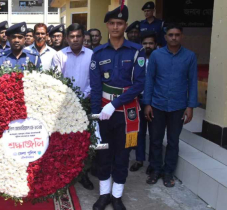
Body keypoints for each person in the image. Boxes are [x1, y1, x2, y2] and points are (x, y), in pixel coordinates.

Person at [90, 5, 145, 210]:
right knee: (103, 154)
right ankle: (104, 195)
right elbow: (95, 87)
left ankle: (117, 196)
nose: (115, 26)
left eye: (119, 23)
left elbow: (139, 84)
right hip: (103, 113)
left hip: (126, 113)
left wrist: (115, 103)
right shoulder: (98, 52)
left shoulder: (136, 50)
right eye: (112, 23)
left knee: (122, 156)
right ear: (107, 25)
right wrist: (95, 117)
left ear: (125, 25)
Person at [144, 24, 198, 188]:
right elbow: (150, 80)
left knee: (173, 141)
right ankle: (155, 170)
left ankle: (168, 173)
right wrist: (147, 103)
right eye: (171, 35)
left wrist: (190, 106)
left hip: (178, 106)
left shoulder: (189, 56)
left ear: (181, 36)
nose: (174, 37)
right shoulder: (156, 55)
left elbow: (192, 82)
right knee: (155, 140)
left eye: (177, 34)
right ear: (166, 37)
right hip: (157, 105)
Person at [52, 23, 93, 190]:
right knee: (65, 142)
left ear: (83, 37)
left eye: (78, 36)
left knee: (83, 142)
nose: (75, 39)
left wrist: (82, 99)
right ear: (67, 38)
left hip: (86, 104)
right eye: (72, 37)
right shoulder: (59, 55)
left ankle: (83, 175)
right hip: (65, 106)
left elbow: (93, 80)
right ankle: (65, 176)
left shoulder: (91, 55)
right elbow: (56, 80)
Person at [129, 31, 157, 174]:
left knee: (154, 133)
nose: (148, 46)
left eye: (150, 43)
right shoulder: (136, 58)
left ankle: (153, 162)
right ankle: (139, 159)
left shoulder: (158, 59)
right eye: (145, 43)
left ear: (155, 45)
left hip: (154, 101)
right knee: (139, 132)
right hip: (138, 100)